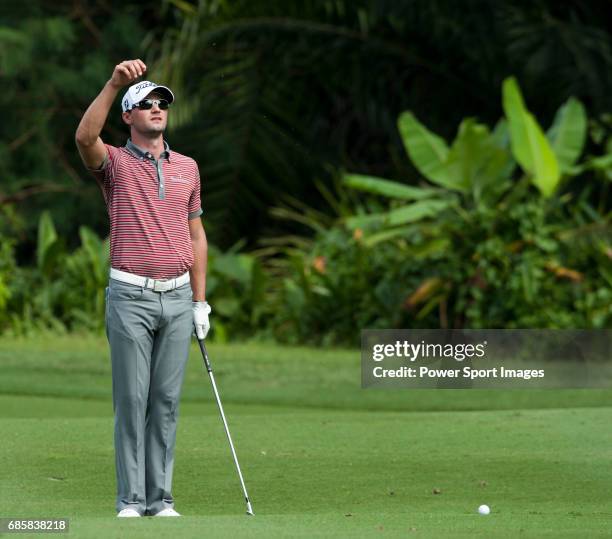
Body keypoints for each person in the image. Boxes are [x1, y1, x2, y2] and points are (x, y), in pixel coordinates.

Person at [75, 59, 212, 518]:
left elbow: (196, 236)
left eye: (162, 104)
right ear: (129, 116)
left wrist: (200, 301)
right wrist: (115, 84)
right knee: (133, 401)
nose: (157, 109)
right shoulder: (112, 163)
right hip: (130, 296)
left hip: (177, 299)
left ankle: (161, 500)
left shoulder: (188, 168)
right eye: (147, 104)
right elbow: (84, 139)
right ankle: (130, 501)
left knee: (166, 401)